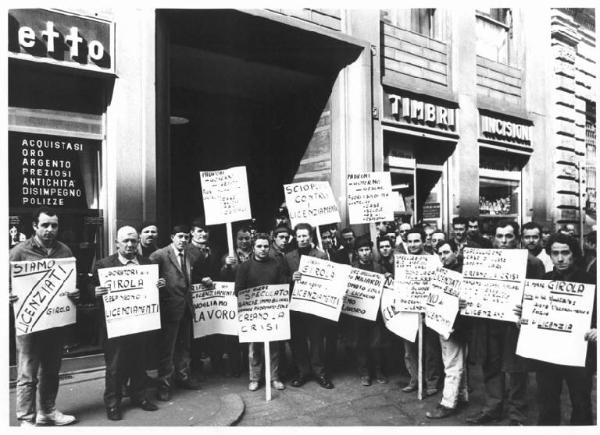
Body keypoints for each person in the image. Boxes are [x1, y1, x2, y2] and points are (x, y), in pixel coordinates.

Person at [466, 220, 545, 425]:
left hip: (514, 325)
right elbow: (472, 287)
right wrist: (466, 300)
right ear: (493, 238)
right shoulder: (482, 260)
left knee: (517, 369)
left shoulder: (533, 263)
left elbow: (540, 297)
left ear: (517, 239)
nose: (503, 241)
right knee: (491, 365)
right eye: (499, 236)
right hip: (489, 322)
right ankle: (493, 407)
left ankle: (516, 412)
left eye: (509, 236)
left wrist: (527, 308)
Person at [9, 208, 80, 426]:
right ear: (34, 226)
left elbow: (71, 283)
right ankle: (26, 420)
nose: (50, 230)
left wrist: (75, 293)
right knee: (27, 373)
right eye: (45, 225)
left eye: (54, 225)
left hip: (54, 321)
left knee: (51, 369)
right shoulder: (19, 251)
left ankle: (47, 410)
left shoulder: (65, 250)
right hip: (29, 322)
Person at [91, 226, 160, 420]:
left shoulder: (147, 264)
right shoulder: (104, 265)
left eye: (133, 241)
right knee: (115, 366)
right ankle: (113, 403)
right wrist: (94, 291)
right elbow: (90, 287)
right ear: (116, 243)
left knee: (139, 361)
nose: (130, 245)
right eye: (125, 241)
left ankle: (139, 396)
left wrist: (158, 285)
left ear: (138, 242)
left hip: (140, 323)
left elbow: (152, 291)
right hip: (116, 324)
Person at [535, 233, 596, 425]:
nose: (560, 258)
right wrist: (525, 318)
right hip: (548, 353)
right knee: (547, 402)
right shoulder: (543, 281)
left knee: (581, 403)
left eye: (565, 253)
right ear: (549, 255)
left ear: (574, 254)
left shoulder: (591, 281)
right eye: (555, 253)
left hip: (580, 353)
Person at [149, 225, 208, 401]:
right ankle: (164, 385)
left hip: (186, 308)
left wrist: (202, 280)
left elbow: (189, 278)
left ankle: (183, 377)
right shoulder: (159, 255)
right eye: (180, 237)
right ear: (172, 237)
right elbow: (149, 281)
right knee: (167, 349)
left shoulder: (191, 255)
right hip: (169, 309)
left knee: (184, 346)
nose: (183, 240)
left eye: (186, 237)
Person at [234, 233, 288, 391]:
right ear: (253, 247)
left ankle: (274, 378)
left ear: (269, 247)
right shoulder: (244, 267)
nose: (263, 249)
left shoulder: (276, 264)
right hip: (253, 314)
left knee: (274, 347)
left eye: (265, 246)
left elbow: (282, 286)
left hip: (272, 312)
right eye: (259, 246)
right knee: (254, 348)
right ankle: (255, 378)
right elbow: (238, 290)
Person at [285, 223, 334, 389]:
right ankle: (303, 372)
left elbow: (328, 280)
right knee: (298, 340)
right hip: (296, 305)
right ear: (295, 237)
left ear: (311, 237)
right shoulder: (288, 256)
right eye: (299, 236)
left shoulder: (320, 255)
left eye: (305, 236)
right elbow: (282, 279)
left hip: (314, 306)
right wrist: (292, 277)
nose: (302, 239)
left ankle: (319, 372)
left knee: (317, 340)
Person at [426, 240, 470, 419]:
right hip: (444, 322)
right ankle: (462, 395)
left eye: (446, 252)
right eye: (440, 253)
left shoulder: (463, 271)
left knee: (452, 364)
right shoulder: (443, 271)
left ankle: (448, 403)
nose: (443, 256)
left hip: (457, 326)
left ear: (456, 251)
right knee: (455, 362)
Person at [401, 228, 443, 396]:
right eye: (409, 241)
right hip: (408, 310)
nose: (412, 245)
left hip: (429, 312)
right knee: (410, 349)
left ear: (424, 241)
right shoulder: (402, 261)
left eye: (416, 241)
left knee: (431, 349)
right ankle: (414, 379)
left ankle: (431, 381)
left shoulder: (433, 260)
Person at [351, 235, 388, 386]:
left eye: (367, 249)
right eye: (361, 250)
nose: (365, 252)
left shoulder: (378, 267)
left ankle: (378, 371)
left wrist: (387, 277)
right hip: (359, 313)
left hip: (376, 313)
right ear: (356, 252)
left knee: (376, 344)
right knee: (361, 343)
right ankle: (364, 373)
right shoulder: (353, 268)